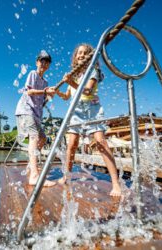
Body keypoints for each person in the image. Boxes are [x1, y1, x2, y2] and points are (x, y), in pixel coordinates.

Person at [56, 43, 121, 196]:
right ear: (75, 57)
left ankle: (116, 183)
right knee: (71, 145)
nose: (82, 55)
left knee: (101, 143)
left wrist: (70, 82)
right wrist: (57, 91)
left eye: (86, 53)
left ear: (91, 56)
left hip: (92, 109)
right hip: (75, 112)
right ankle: (67, 176)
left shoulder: (93, 70)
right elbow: (67, 96)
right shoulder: (74, 75)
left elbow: (88, 90)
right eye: (79, 53)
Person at [15, 50, 56, 187]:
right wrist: (45, 92)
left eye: (47, 62)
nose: (44, 64)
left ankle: (30, 164)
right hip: (26, 110)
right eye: (42, 61)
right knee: (34, 136)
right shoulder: (32, 74)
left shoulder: (46, 82)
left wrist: (49, 96)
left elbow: (42, 101)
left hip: (36, 114)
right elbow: (30, 92)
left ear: (49, 65)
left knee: (43, 138)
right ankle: (34, 176)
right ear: (37, 62)